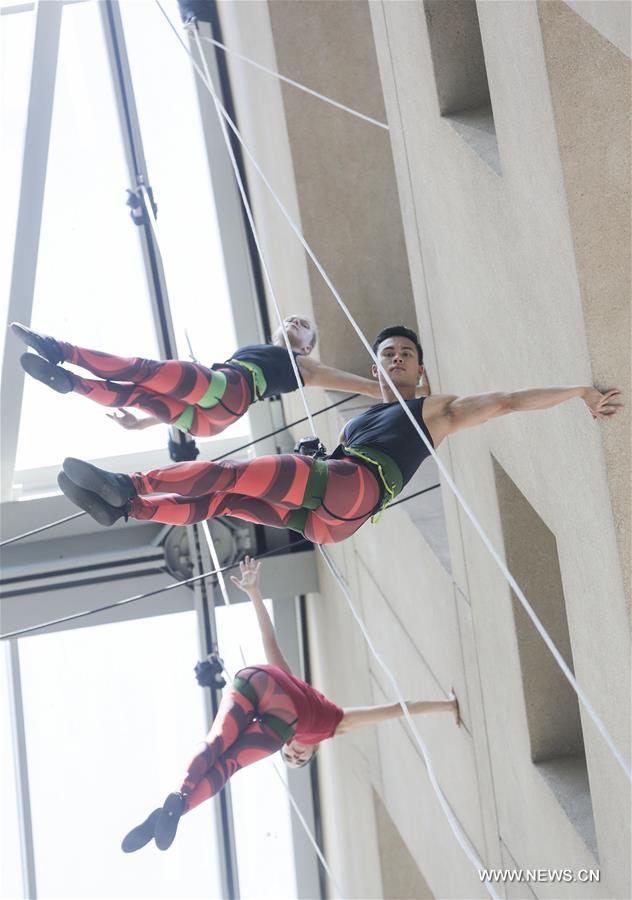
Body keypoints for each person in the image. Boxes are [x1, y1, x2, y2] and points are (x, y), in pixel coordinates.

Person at [55, 325, 622, 545]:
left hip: (352, 492)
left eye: (407, 356)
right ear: (376, 370)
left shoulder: (436, 411)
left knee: (228, 476)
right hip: (335, 511)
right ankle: (129, 508)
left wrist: (578, 393)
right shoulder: (359, 414)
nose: (398, 359)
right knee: (225, 495)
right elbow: (312, 372)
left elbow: (506, 402)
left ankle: (128, 484)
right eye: (388, 355)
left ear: (421, 373)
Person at [121, 557, 460, 853]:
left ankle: (177, 803)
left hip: (262, 699)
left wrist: (254, 591)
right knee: (222, 750)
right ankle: (177, 802)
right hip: (266, 688)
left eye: (289, 757)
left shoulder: (285, 730)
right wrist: (446, 706)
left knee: (224, 755)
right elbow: (393, 710)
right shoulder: (334, 724)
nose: (293, 754)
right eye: (299, 757)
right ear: (313, 750)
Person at [10, 316, 390, 437]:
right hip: (211, 417)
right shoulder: (256, 352)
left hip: (229, 391)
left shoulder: (302, 365)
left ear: (307, 348)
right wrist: (141, 426)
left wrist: (383, 390)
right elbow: (180, 402)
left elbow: (341, 380)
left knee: (145, 371)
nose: (295, 322)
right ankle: (71, 383)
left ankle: (58, 349)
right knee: (141, 393)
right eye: (290, 319)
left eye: (303, 326)